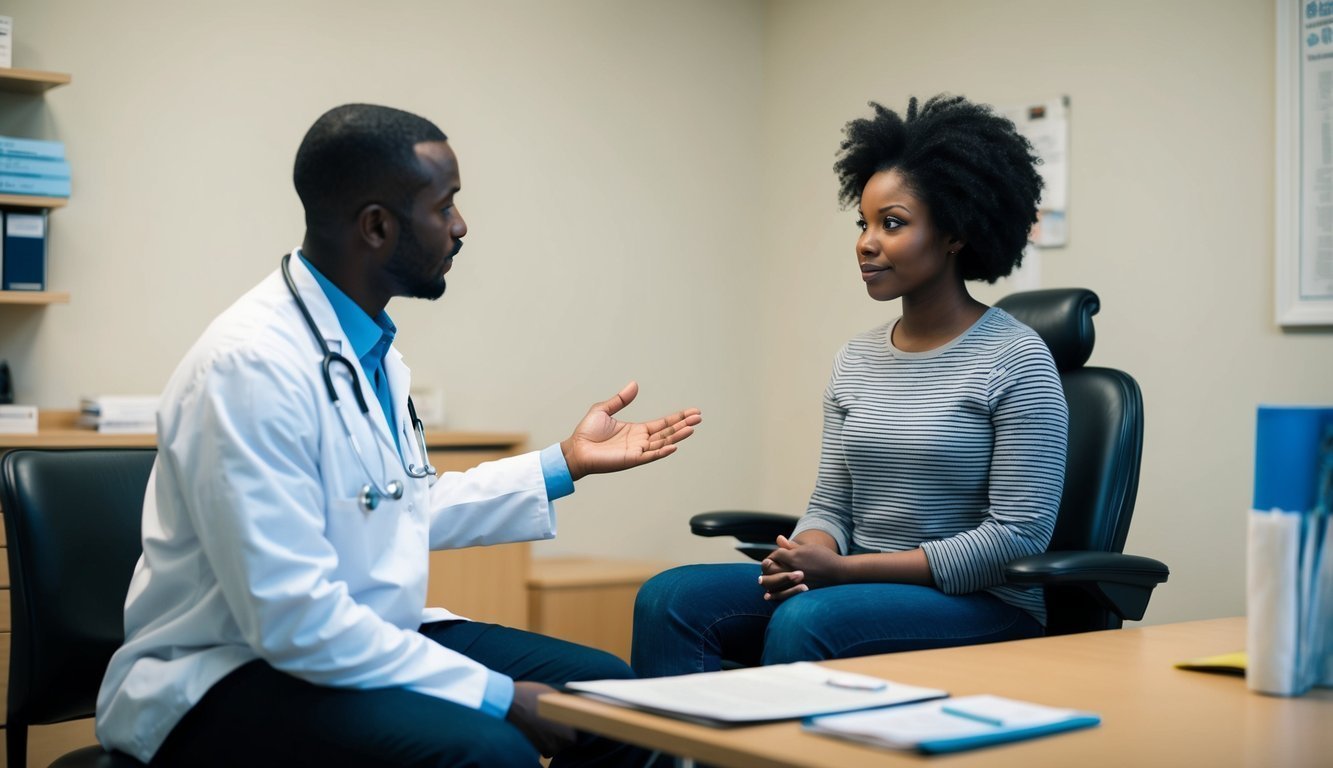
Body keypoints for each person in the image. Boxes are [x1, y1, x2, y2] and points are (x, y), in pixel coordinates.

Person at [95, 103, 702, 767]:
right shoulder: (249, 368)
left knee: (609, 699)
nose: (461, 227)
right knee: (488, 749)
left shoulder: (368, 350)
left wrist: (565, 463)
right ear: (377, 227)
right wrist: (497, 695)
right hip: (227, 673)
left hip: (343, 641)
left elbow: (394, 507)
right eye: (445, 207)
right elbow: (292, 619)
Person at [631, 95, 1068, 675]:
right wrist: (809, 549)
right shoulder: (856, 359)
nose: (866, 242)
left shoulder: (1017, 360)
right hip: (854, 584)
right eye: (862, 222)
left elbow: (1018, 538)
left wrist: (848, 574)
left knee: (808, 620)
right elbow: (832, 503)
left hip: (986, 606)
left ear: (955, 233)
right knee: (670, 597)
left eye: (892, 223)